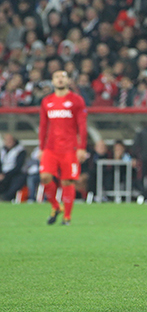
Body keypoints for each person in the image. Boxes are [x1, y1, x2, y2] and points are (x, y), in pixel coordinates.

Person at [39, 70, 88, 225]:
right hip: (51, 148)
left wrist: (82, 147)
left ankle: (67, 217)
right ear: (52, 81)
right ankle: (55, 206)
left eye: (63, 77)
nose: (60, 79)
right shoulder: (47, 101)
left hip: (70, 148)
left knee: (67, 181)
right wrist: (41, 148)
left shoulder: (76, 100)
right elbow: (43, 126)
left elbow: (82, 125)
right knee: (45, 177)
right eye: (57, 77)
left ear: (68, 80)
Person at [0, 134, 27, 201]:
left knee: (17, 182)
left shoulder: (20, 150)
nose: (8, 142)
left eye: (10, 140)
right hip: (3, 173)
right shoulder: (2, 151)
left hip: (16, 173)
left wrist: (6, 175)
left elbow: (18, 166)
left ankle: (6, 197)